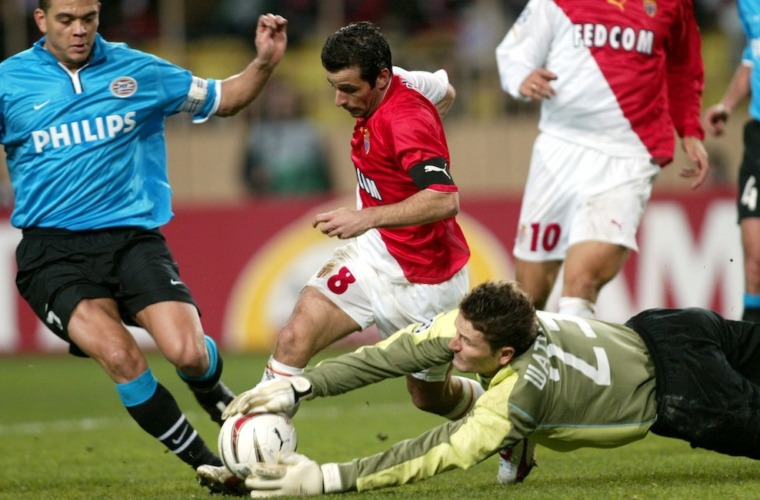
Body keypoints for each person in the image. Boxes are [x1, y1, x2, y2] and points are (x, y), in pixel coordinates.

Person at [0, 0, 285, 491]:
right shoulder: (9, 81)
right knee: (120, 356)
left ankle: (216, 397)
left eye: (88, 18)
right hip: (52, 254)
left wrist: (262, 63)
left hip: (132, 242)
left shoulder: (140, 71)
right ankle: (209, 466)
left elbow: (225, 98)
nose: (79, 30)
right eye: (66, 20)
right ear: (41, 20)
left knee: (187, 353)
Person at [200, 279, 760, 496]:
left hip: (689, 394)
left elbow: (434, 452)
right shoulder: (478, 325)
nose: (454, 345)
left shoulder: (517, 399)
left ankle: (519, 445)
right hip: (670, 327)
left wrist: (325, 479)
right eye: (458, 332)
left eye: (467, 344)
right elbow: (389, 356)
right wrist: (302, 387)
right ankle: (522, 448)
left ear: (506, 354)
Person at [258, 22, 475, 422]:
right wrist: (433, 116)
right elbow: (446, 91)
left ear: (381, 78)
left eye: (348, 89)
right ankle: (255, 436)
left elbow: (445, 199)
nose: (338, 100)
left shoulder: (405, 121)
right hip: (372, 257)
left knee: (429, 398)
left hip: (425, 283)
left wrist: (366, 218)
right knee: (294, 335)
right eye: (333, 86)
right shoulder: (405, 81)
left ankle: (500, 415)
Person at [495, 0, 710, 318]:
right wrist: (521, 78)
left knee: (582, 284)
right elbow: (514, 51)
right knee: (529, 296)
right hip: (559, 148)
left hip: (629, 153)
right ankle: (532, 350)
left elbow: (683, 66)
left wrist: (690, 129)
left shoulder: (674, 4)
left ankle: (572, 351)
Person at [703, 2, 760, 322]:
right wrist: (726, 105)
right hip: (758, 137)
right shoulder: (747, 5)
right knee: (755, 260)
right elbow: (753, 55)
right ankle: (752, 348)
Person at [242, 78, 332, 196]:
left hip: (306, 196)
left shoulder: (309, 131)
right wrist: (256, 178)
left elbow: (325, 172)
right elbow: (247, 172)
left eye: (285, 99)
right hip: (272, 198)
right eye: (276, 99)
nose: (281, 104)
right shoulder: (259, 133)